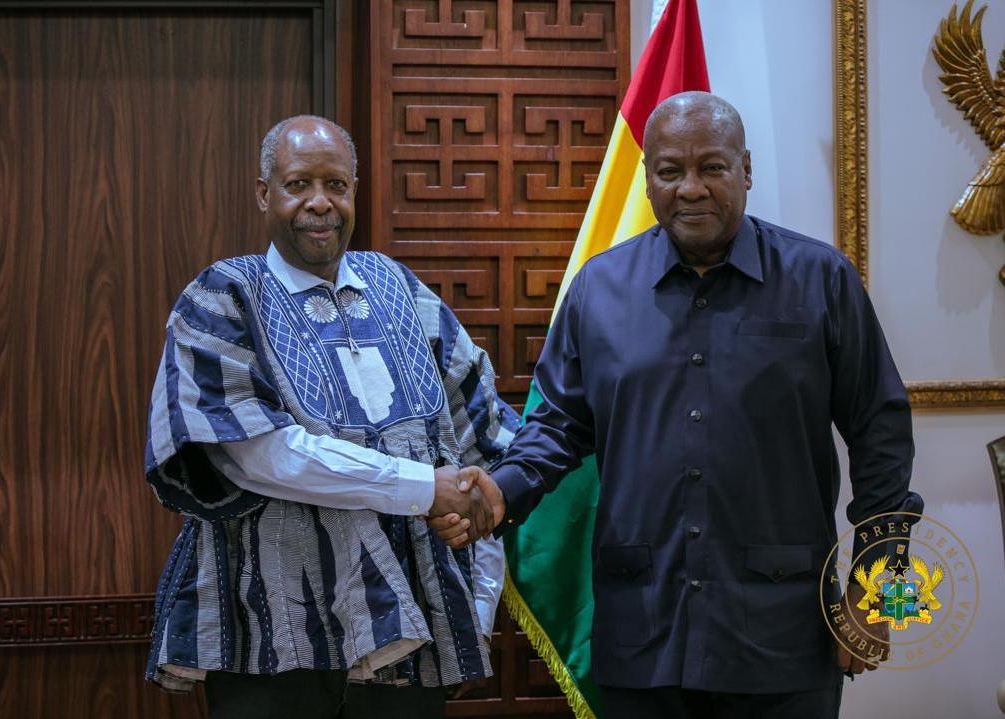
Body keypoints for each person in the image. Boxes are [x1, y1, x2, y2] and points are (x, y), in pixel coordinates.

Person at [441, 92, 923, 718]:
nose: (690, 188)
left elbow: (882, 433)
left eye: (711, 167)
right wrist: (502, 492)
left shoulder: (821, 279)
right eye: (670, 171)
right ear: (647, 180)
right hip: (643, 634)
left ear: (746, 171)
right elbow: (557, 427)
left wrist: (881, 588)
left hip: (784, 634)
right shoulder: (599, 289)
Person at [142, 114, 519, 718]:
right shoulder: (223, 297)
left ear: (354, 192)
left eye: (336, 185)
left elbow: (483, 439)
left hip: (412, 632)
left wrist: (474, 607)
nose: (320, 203)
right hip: (274, 638)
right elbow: (258, 455)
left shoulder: (398, 287)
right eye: (299, 185)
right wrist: (426, 488)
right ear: (264, 193)